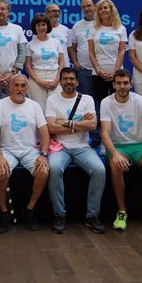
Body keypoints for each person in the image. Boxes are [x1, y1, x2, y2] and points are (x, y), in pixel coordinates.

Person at [101, 69, 142, 231]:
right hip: (118, 146)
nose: (122, 86)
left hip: (140, 145)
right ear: (114, 85)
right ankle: (122, 211)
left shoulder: (139, 100)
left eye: (125, 83)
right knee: (116, 166)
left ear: (130, 84)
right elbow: (104, 133)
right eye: (119, 83)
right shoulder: (106, 102)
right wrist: (115, 154)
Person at [45, 68, 106, 234]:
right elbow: (51, 127)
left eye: (72, 79)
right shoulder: (52, 100)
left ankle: (92, 215)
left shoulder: (87, 99)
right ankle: (59, 214)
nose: (68, 82)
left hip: (82, 147)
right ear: (60, 81)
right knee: (55, 169)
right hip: (60, 147)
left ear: (77, 82)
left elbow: (92, 125)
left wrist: (64, 122)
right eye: (65, 79)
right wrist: (78, 125)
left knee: (99, 170)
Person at [0, 73, 50, 233]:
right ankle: (4, 213)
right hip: (6, 150)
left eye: (23, 86)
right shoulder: (0, 105)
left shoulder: (34, 106)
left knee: (43, 172)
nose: (19, 89)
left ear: (27, 88)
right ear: (10, 87)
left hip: (30, 150)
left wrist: (43, 155)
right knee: (1, 173)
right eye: (16, 85)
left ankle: (29, 210)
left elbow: (45, 132)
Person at [88, 0, 127, 147]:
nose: (103, 10)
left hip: (116, 74)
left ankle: (118, 140)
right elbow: (91, 53)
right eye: (101, 8)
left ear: (111, 9)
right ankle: (102, 142)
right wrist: (98, 70)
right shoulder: (94, 29)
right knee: (101, 107)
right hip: (98, 74)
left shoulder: (120, 29)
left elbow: (122, 51)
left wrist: (116, 71)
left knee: (117, 106)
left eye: (106, 8)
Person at [25, 13, 64, 112]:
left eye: (43, 25)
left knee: (56, 110)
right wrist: (38, 81)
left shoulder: (56, 42)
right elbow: (28, 66)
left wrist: (57, 79)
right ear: (34, 27)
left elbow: (61, 61)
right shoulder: (30, 45)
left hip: (55, 77)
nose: (41, 27)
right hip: (37, 78)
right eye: (38, 25)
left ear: (47, 26)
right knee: (39, 110)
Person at [69, 0, 96, 96]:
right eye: (84, 7)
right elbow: (72, 47)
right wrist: (75, 63)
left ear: (95, 6)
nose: (87, 9)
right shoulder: (77, 26)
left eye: (89, 5)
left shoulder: (103, 24)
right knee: (87, 99)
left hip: (101, 70)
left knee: (103, 100)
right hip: (84, 70)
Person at [45, 3, 71, 67]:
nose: (57, 13)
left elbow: (69, 49)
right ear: (47, 13)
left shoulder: (65, 29)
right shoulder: (41, 30)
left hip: (64, 68)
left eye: (58, 11)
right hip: (47, 68)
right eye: (54, 11)